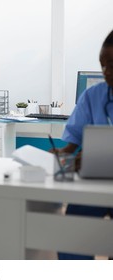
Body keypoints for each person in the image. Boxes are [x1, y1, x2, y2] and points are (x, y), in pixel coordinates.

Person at [54, 29, 113, 260]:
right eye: (103, 65)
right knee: (72, 238)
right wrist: (62, 154)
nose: (106, 72)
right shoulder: (93, 95)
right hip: (95, 185)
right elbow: (73, 142)